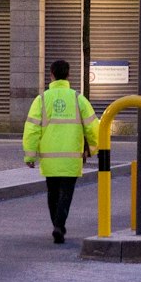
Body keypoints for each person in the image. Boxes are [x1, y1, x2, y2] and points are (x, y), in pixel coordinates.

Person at [23, 59, 98, 244]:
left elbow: (32, 129)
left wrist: (30, 155)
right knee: (66, 193)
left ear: (51, 75)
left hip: (49, 159)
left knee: (52, 192)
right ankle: (59, 224)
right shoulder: (78, 99)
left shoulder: (41, 100)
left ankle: (57, 225)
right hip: (71, 158)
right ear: (68, 75)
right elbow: (93, 127)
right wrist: (92, 149)